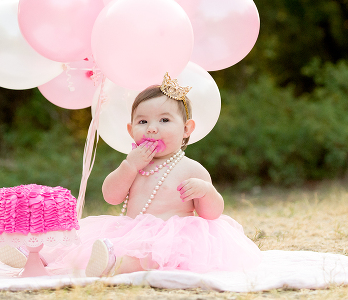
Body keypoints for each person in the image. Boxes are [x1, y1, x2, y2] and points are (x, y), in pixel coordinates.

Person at [42, 73, 261, 276]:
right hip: (129, 231)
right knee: (84, 243)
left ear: (186, 129)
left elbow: (211, 214)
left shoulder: (191, 169)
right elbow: (111, 196)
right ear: (130, 130)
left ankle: (115, 264)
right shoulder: (134, 164)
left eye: (164, 120)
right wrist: (129, 165)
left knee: (153, 256)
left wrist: (205, 192)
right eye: (143, 121)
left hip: (172, 238)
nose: (152, 128)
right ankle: (39, 255)